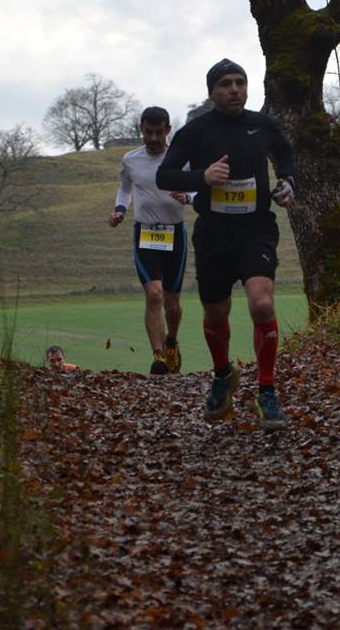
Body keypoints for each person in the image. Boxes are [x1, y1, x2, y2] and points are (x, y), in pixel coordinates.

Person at [156, 59, 295, 429]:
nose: (235, 89)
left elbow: (285, 154)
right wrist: (202, 176)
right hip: (214, 232)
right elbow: (164, 175)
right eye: (226, 84)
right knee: (216, 313)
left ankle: (267, 391)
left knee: (262, 304)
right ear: (211, 92)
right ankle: (222, 376)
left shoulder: (262, 124)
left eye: (240, 82)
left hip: (256, 228)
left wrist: (287, 182)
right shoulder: (195, 131)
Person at [109, 106, 191, 375]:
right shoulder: (131, 160)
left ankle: (171, 342)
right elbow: (125, 189)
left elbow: (197, 187)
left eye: (159, 132)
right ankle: (158, 356)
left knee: (172, 303)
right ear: (141, 130)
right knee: (154, 294)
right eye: (148, 132)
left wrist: (188, 196)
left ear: (168, 130)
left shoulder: (181, 158)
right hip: (146, 232)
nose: (154, 138)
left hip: (174, 234)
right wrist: (120, 210)